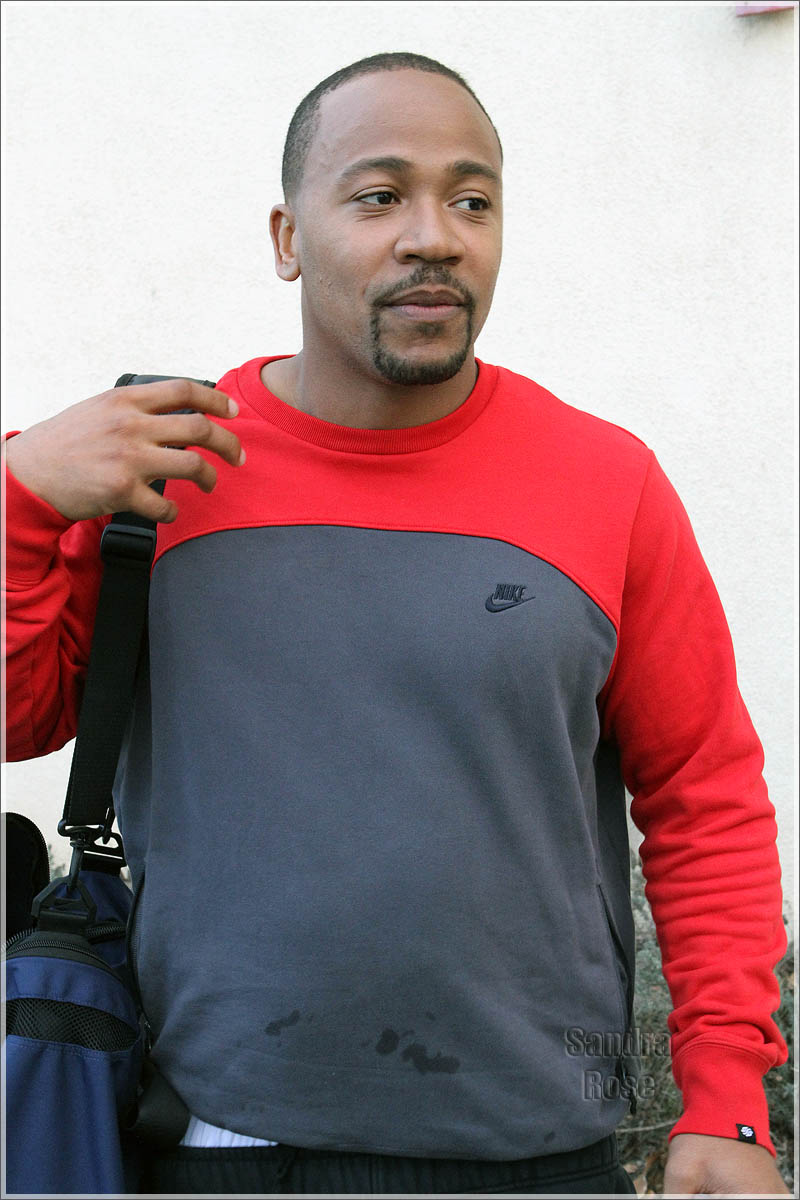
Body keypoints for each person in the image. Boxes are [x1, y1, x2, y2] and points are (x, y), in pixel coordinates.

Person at [2, 51, 790, 1197]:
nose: (434, 236)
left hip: (535, 1157)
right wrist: (21, 498)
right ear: (287, 238)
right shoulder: (158, 467)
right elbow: (19, 718)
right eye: (379, 196)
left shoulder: (605, 482)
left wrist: (724, 1100)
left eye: (471, 201)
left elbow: (702, 795)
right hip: (217, 1144)